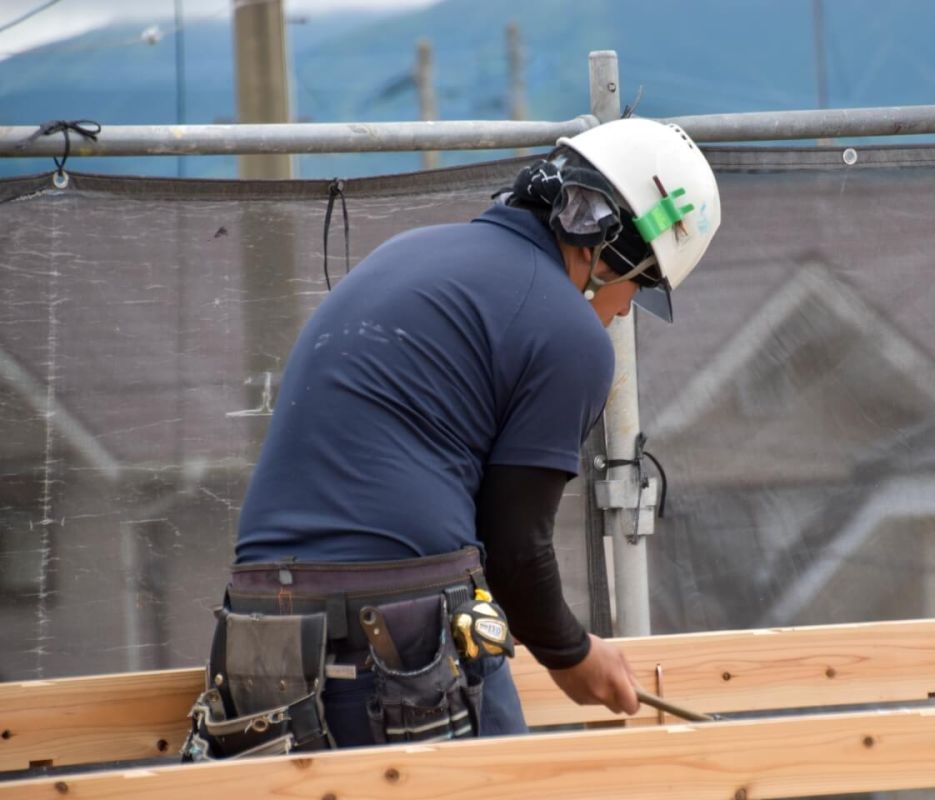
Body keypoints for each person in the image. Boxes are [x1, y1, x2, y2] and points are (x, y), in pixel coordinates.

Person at [182, 117, 721, 759]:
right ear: (606, 246)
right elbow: (516, 547)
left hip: (257, 621)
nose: (629, 305)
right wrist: (573, 654)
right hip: (398, 636)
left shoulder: (409, 253)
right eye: (643, 280)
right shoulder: (566, 331)